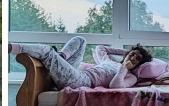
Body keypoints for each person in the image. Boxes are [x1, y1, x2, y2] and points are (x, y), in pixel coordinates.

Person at [9, 37, 160, 90]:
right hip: (78, 73)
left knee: (47, 51)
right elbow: (101, 49)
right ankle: (61, 56)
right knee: (81, 40)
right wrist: (127, 52)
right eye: (133, 54)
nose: (133, 57)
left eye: (137, 58)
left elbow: (116, 86)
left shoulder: (130, 77)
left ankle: (10, 47)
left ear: (139, 65)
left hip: (82, 82)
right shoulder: (107, 60)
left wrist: (124, 67)